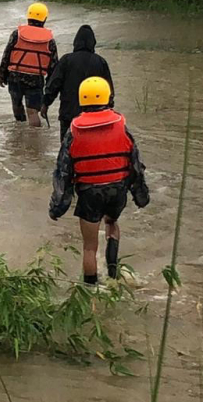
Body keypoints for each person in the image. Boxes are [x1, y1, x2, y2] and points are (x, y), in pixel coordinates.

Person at [50, 77, 150, 284]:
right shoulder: (121, 125)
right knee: (112, 223)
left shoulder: (74, 130)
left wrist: (58, 206)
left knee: (89, 246)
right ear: (107, 97)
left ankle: (90, 288)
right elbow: (135, 163)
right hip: (117, 190)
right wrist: (140, 195)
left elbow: (63, 171)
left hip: (89, 193)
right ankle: (113, 273)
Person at [42, 24, 114, 141]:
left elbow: (54, 84)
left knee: (67, 150)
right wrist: (109, 110)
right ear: (93, 42)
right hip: (95, 117)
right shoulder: (101, 62)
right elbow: (109, 90)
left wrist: (45, 103)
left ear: (76, 42)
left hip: (68, 115)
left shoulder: (66, 60)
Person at [0, 2, 58, 127]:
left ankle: (19, 133)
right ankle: (34, 140)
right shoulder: (49, 40)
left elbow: (6, 55)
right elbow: (53, 66)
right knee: (32, 112)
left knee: (17, 105)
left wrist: (2, 75)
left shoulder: (17, 34)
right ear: (44, 19)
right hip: (35, 79)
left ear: (28, 17)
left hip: (15, 76)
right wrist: (50, 85)